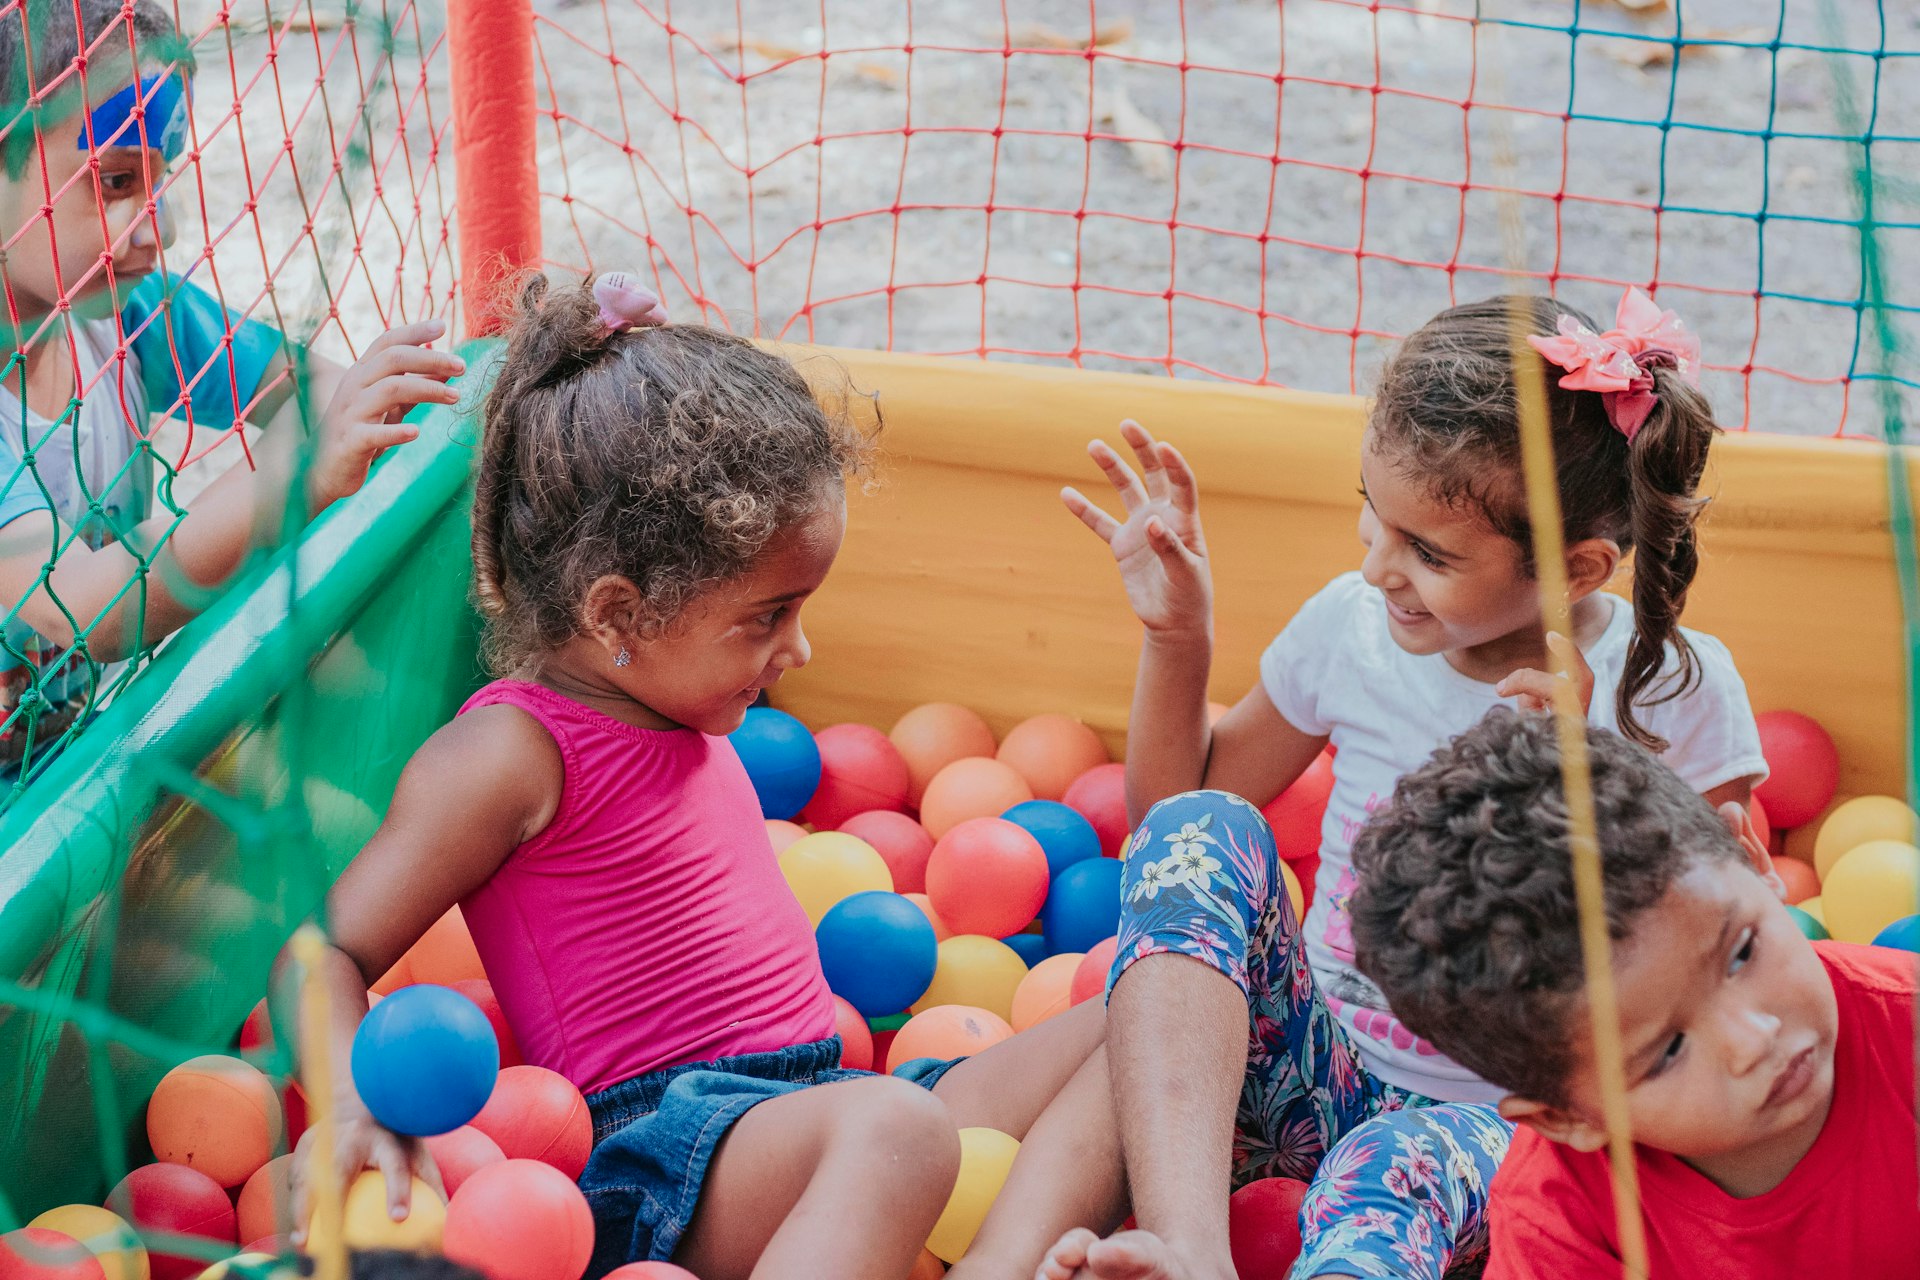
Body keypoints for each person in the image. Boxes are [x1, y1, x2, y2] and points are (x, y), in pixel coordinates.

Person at [279, 273, 1124, 1280]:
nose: (799, 649)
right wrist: (348, 1098)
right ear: (618, 613)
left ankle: (1007, 1250)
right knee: (900, 1131)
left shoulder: (683, 698)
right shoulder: (513, 752)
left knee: (1144, 1015)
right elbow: (320, 948)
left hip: (824, 1107)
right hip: (673, 1156)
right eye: (768, 615)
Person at [1040, 290, 1767, 1279]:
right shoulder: (1352, 629)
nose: (1380, 567)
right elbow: (1170, 822)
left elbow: (1732, 943)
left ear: (1574, 568)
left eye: (1427, 552)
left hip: (1506, 1122)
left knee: (1388, 1167)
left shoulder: (1671, 688)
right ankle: (1187, 1247)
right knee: (1206, 826)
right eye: (1374, 518)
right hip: (1309, 1068)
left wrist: (1588, 773)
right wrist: (1179, 641)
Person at [0, 0, 462, 777]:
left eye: (159, 178)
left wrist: (340, 426)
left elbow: (312, 386)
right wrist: (294, 482)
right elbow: (87, 606)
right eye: (114, 180)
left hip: (75, 755)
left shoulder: (127, 313)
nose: (159, 227)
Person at [1347, 709, 1919, 1278]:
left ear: (1749, 855)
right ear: (1567, 1116)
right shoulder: (1559, 1226)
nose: (1754, 1038)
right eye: (1668, 1051)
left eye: (1742, 952)